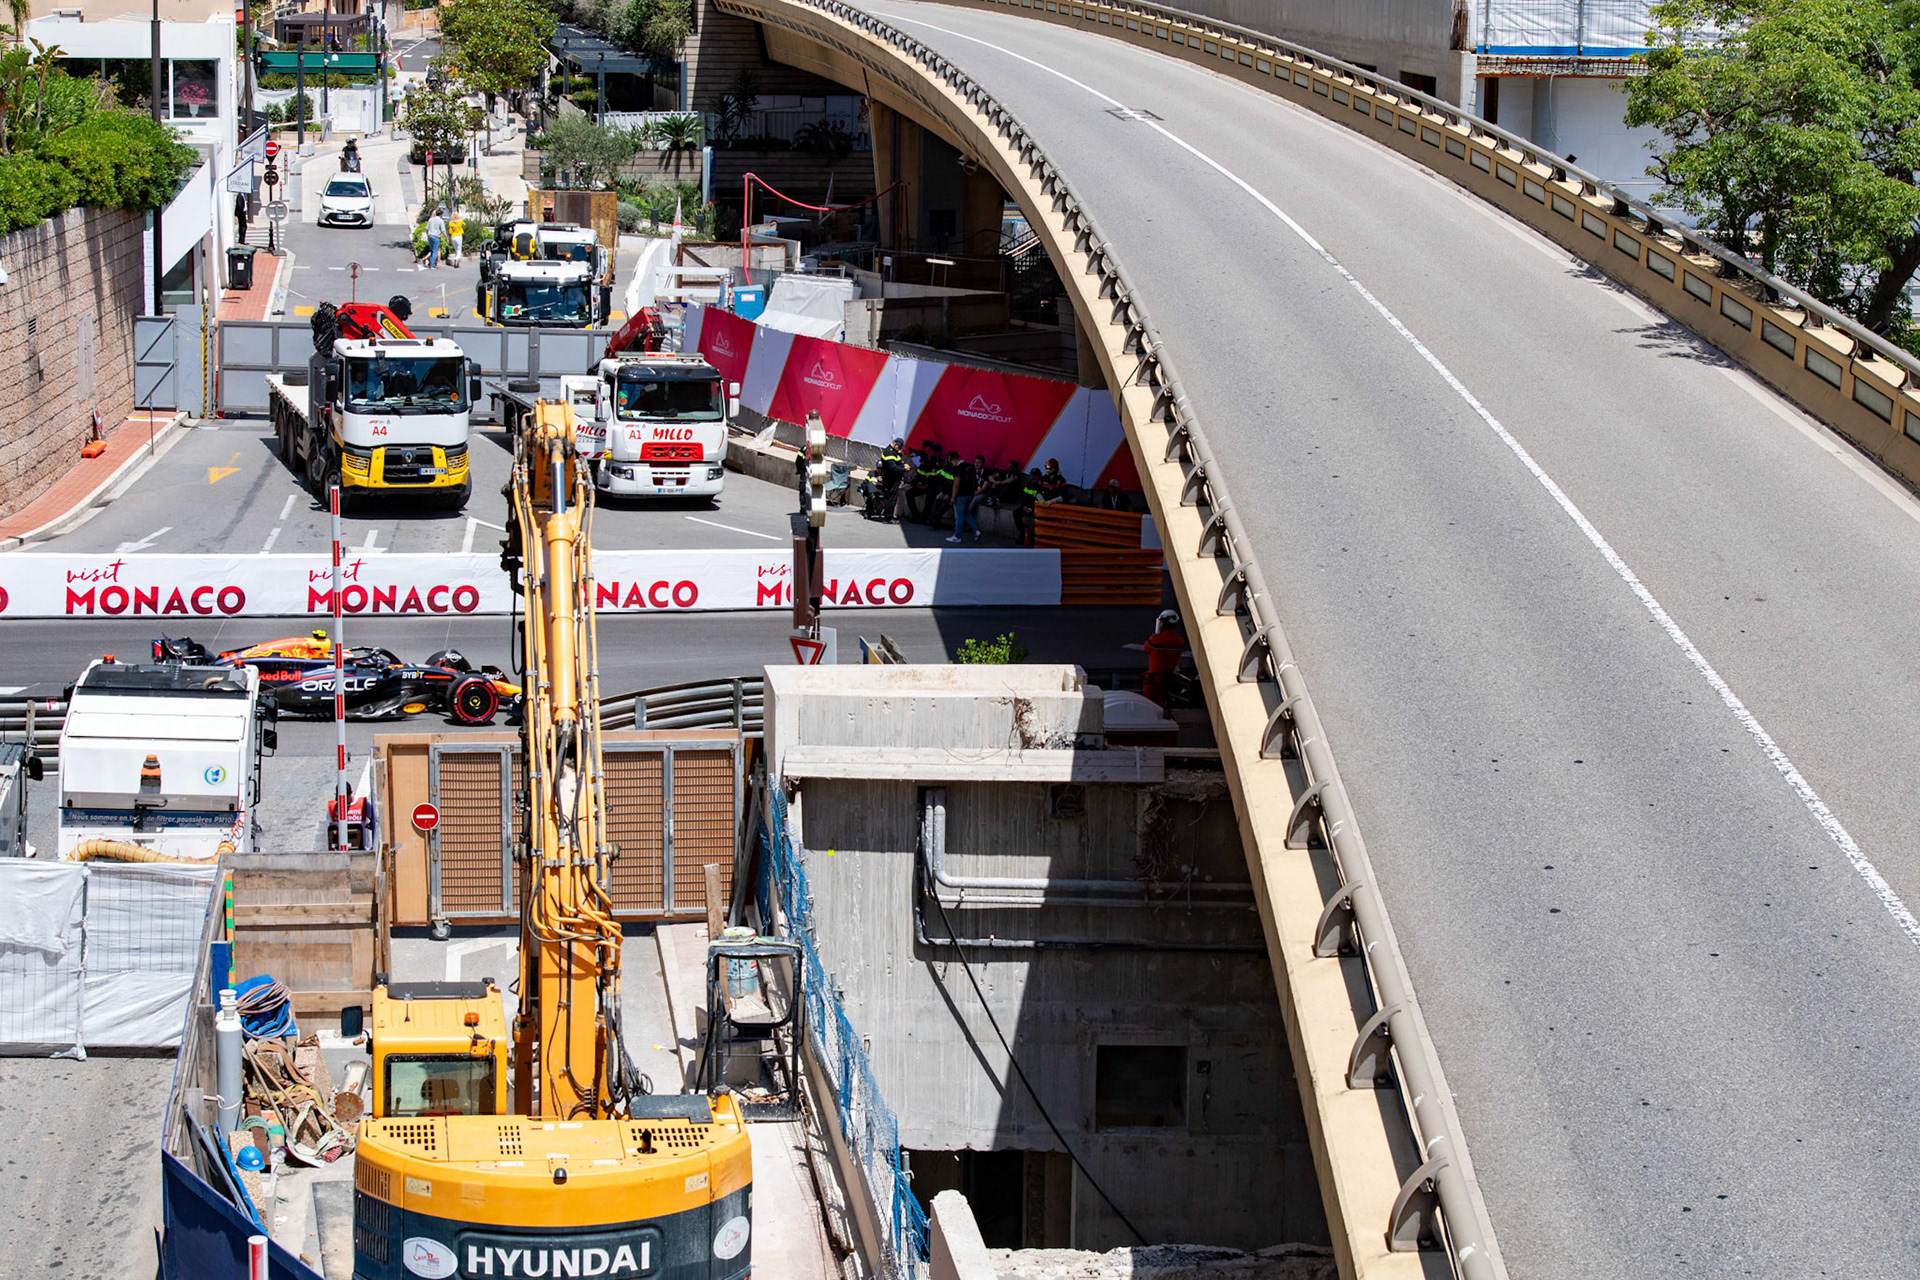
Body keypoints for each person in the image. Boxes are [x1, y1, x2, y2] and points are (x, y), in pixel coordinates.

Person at [1142, 609, 1188, 707]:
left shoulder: (1156, 639)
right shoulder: (1179, 640)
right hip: (1170, 677)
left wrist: (1156, 633)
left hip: (1154, 680)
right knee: (1163, 703)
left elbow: (1146, 649)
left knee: (1149, 704)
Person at [866, 438, 906, 521]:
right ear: (896, 445)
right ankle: (888, 517)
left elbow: (897, 462)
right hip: (892, 479)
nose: (900, 449)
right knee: (891, 499)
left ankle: (888, 515)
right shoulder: (890, 453)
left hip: (891, 479)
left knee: (891, 497)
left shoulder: (893, 452)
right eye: (900, 447)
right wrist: (904, 468)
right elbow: (893, 468)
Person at [946, 451, 980, 543]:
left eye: (951, 461)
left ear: (954, 460)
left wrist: (953, 497)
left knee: (959, 517)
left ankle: (957, 536)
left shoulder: (958, 469)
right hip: (970, 494)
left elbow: (956, 485)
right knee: (966, 514)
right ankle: (976, 531)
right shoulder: (971, 467)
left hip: (961, 495)